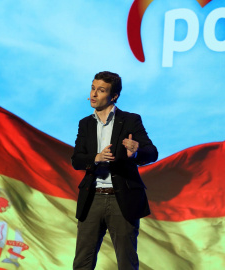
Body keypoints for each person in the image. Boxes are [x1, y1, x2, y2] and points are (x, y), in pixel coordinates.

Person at [72, 71, 158, 270]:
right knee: (82, 262)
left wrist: (136, 153)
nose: (94, 94)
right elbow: (76, 160)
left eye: (101, 90)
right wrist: (96, 158)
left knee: (126, 262)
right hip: (92, 198)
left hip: (122, 199)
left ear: (114, 96)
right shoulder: (85, 124)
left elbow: (151, 153)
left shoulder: (130, 120)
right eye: (93, 88)